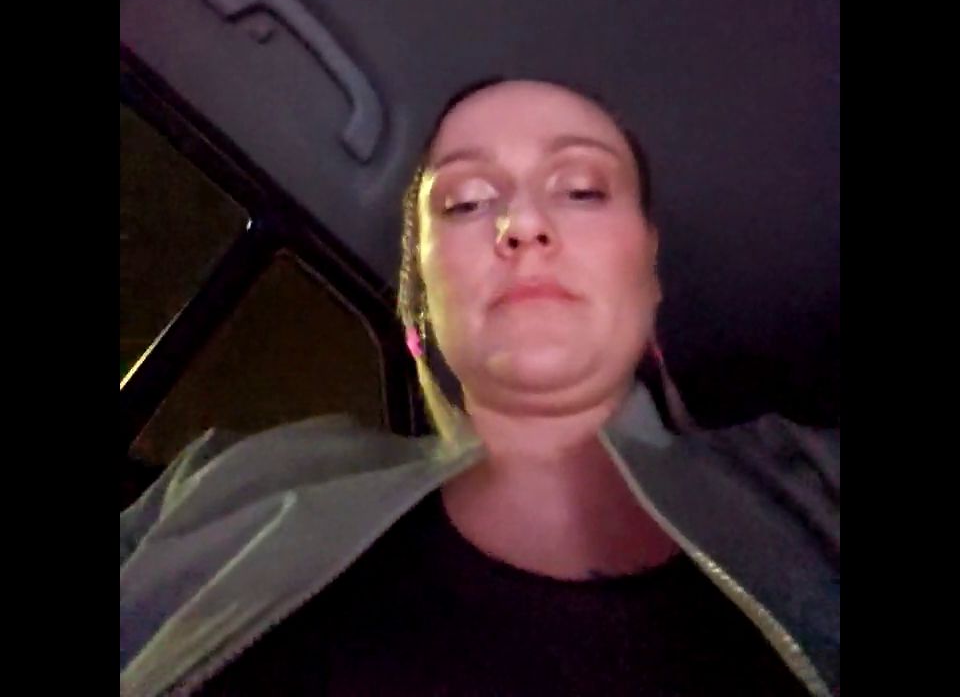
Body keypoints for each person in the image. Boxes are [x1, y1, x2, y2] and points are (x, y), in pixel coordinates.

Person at [120, 78, 839, 696]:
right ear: (422, 305)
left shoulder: (814, 488)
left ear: (647, 273)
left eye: (582, 190)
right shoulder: (228, 486)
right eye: (465, 201)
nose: (522, 224)